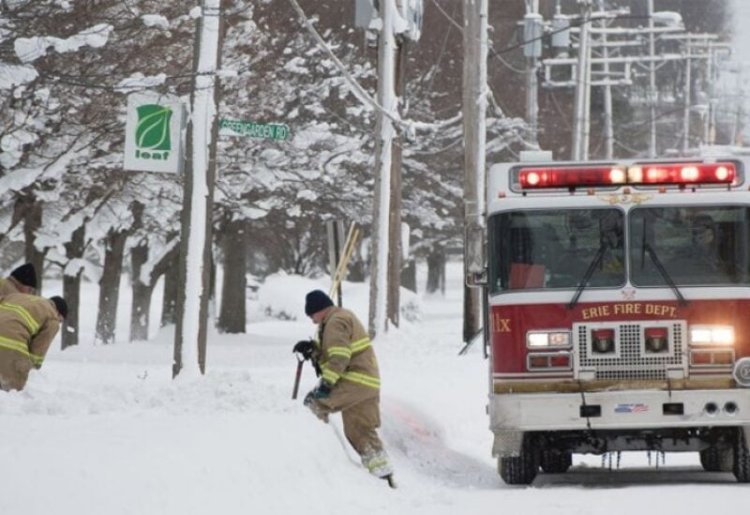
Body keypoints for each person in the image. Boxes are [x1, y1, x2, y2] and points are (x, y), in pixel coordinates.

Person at [293, 289, 395, 487]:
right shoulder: (341, 317)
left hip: (354, 381)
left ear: (319, 310)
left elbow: (339, 357)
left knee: (314, 405)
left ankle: (315, 458)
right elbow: (336, 350)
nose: (313, 321)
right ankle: (384, 475)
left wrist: (326, 384)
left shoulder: (335, 322)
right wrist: (313, 349)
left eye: (312, 315)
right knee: (361, 430)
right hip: (367, 382)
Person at [0, 293, 67, 391]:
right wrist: (32, 370)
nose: (59, 322)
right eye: (60, 320)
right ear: (58, 313)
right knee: (13, 395)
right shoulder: (53, 317)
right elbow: (37, 352)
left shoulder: (16, 296)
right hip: (10, 346)